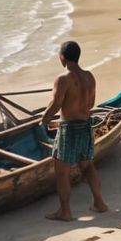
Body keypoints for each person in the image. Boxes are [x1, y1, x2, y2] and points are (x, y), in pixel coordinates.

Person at [44, 40, 108, 221]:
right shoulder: (89, 76)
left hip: (69, 129)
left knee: (61, 172)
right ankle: (99, 203)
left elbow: (55, 104)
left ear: (62, 58)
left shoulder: (63, 79)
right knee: (87, 166)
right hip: (85, 125)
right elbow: (91, 103)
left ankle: (65, 212)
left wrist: (43, 120)